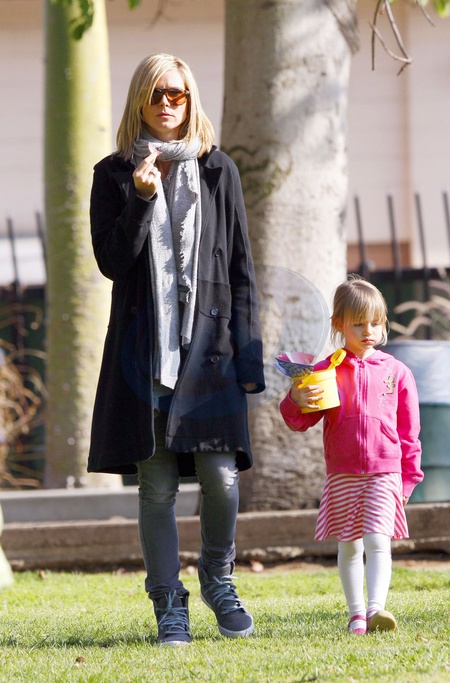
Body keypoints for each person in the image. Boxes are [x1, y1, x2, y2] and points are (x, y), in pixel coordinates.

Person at [88, 53, 265, 646]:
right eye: (157, 93)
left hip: (211, 352)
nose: (168, 103)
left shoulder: (219, 170)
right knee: (157, 486)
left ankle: (217, 577)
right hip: (144, 356)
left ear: (191, 100)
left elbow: (240, 269)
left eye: (179, 93)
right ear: (140, 99)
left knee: (222, 477)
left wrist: (248, 356)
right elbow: (112, 262)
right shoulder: (113, 174)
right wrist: (141, 198)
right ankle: (169, 604)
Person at [280, 274, 423, 635]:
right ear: (339, 324)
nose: (368, 331)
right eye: (358, 323)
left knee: (377, 540)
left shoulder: (397, 372)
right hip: (342, 473)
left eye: (375, 322)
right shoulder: (326, 371)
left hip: (385, 472)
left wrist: (408, 481)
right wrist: (295, 398)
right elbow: (300, 420)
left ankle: (376, 609)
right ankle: (356, 614)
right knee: (349, 545)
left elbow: (410, 434)